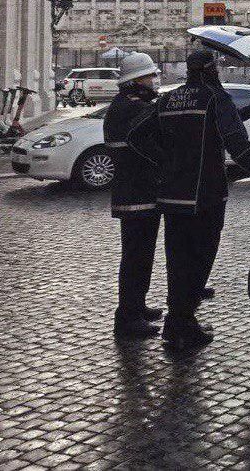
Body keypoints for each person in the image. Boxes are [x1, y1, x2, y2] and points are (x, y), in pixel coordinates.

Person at [131, 48, 250, 350]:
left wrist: (166, 161)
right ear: (212, 70)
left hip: (172, 195)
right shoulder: (215, 98)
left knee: (177, 260)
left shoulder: (169, 99)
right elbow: (238, 145)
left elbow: (137, 137)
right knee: (200, 260)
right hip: (205, 194)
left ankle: (176, 322)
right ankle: (183, 323)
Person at [104, 52, 164, 338]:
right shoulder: (131, 109)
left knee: (141, 256)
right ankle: (127, 317)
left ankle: (136, 306)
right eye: (150, 76)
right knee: (136, 258)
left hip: (137, 192)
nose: (154, 81)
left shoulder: (126, 105)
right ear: (136, 80)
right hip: (137, 194)